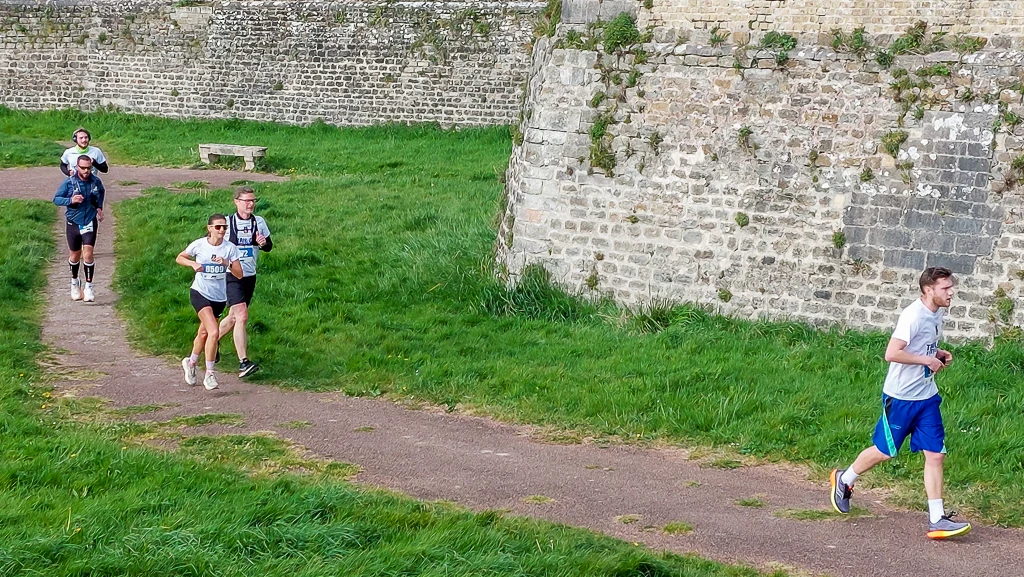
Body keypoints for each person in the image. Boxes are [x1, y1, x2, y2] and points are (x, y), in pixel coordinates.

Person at [830, 266, 970, 540]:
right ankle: (844, 480)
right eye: (945, 288)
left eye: (950, 287)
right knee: (885, 452)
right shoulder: (912, 316)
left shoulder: (936, 312)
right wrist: (925, 360)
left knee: (936, 454)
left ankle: (936, 519)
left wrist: (937, 353)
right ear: (929, 290)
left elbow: (922, 345)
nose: (951, 292)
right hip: (900, 398)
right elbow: (891, 353)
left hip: (926, 397)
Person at [176, 214, 242, 391]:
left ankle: (190, 363)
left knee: (204, 334)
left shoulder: (230, 248)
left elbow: (239, 274)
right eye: (218, 227)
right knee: (213, 332)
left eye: (224, 227)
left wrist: (227, 263)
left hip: (219, 298)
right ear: (209, 228)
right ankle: (210, 374)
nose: (222, 230)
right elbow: (179, 257)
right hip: (200, 292)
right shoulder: (199, 245)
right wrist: (192, 264)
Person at [218, 186, 273, 378]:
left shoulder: (259, 222)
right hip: (232, 275)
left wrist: (263, 243)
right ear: (236, 202)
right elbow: (215, 245)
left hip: (250, 275)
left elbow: (269, 247)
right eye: (246, 200)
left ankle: (210, 341)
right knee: (242, 316)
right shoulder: (227, 223)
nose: (250, 204)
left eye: (252, 200)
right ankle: (243, 362)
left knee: (233, 318)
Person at [53, 155, 105, 302]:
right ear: (77, 167)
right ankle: (75, 282)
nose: (86, 171)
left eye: (89, 168)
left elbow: (101, 192)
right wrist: (70, 200)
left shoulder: (96, 181)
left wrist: (99, 207)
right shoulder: (69, 182)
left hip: (89, 221)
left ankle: (89, 286)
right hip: (73, 222)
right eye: (83, 168)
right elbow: (56, 199)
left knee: (88, 254)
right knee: (74, 256)